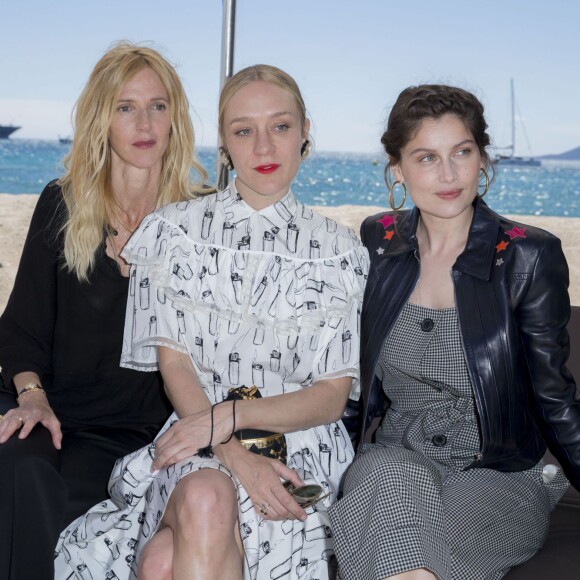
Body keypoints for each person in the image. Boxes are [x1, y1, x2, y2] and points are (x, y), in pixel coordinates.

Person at [54, 64, 369, 580]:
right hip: (196, 437)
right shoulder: (175, 232)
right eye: (244, 130)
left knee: (161, 562)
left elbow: (331, 396)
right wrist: (228, 448)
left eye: (281, 127)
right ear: (223, 142)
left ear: (305, 130)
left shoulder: (339, 253)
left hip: (300, 448)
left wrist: (229, 421)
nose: (264, 148)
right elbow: (174, 363)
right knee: (202, 493)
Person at [329, 84, 579, 580]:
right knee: (383, 474)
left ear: (482, 159)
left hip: (498, 475)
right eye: (426, 157)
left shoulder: (528, 256)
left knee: (411, 552)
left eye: (461, 152)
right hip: (397, 460)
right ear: (397, 169)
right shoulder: (376, 242)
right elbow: (352, 385)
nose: (448, 175)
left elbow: (556, 399)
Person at [0, 42, 210, 580]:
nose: (144, 122)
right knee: (24, 474)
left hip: (147, 433)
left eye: (158, 106)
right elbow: (21, 328)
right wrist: (32, 396)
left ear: (175, 117)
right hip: (55, 414)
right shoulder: (63, 203)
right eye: (125, 107)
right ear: (102, 119)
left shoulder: (203, 218)